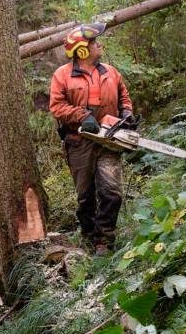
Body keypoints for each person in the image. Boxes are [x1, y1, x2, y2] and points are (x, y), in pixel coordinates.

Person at [48, 23, 135, 256]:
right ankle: (88, 237)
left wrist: (126, 114)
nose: (99, 45)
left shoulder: (110, 71)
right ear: (82, 50)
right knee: (86, 197)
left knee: (111, 192)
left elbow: (123, 97)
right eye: (95, 43)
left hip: (109, 140)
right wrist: (81, 115)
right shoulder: (62, 76)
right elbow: (56, 106)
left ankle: (104, 242)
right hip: (80, 142)